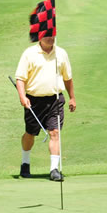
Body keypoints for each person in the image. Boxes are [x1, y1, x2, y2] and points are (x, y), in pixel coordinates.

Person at [14, 36, 76, 181]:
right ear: (40, 37)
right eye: (47, 36)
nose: (51, 39)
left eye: (52, 36)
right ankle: (25, 162)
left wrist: (72, 97)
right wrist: (22, 97)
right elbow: (20, 78)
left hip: (55, 99)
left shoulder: (61, 53)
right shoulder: (29, 53)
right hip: (34, 100)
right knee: (30, 133)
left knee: (55, 132)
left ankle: (54, 169)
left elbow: (68, 78)